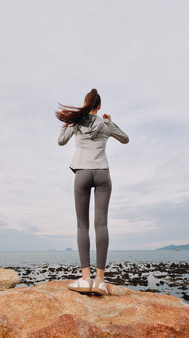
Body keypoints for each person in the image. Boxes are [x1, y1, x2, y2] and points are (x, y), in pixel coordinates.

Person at [56, 88, 129, 295]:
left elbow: (61, 141)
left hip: (82, 174)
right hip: (103, 173)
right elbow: (125, 139)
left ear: (86, 104)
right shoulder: (105, 125)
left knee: (82, 225)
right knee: (102, 224)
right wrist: (110, 122)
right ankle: (99, 280)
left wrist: (67, 122)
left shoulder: (77, 123)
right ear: (99, 106)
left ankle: (85, 278)